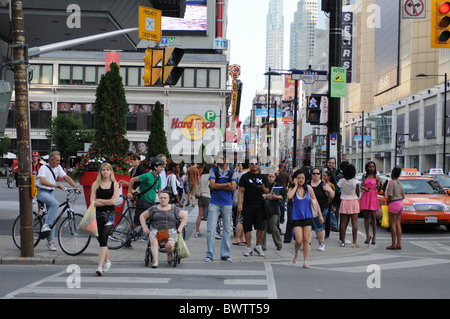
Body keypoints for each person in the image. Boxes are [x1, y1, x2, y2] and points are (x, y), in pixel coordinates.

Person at [37, 151, 83, 251]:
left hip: (49, 192)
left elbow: (66, 177)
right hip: (41, 192)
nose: (59, 162)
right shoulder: (43, 168)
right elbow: (42, 181)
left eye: (59, 160)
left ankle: (50, 242)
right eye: (57, 160)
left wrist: (76, 187)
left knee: (53, 218)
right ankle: (45, 225)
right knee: (55, 203)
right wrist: (57, 185)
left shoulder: (58, 167)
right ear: (51, 160)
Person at [140, 191, 187, 268]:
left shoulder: (174, 208)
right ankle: (156, 261)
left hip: (170, 230)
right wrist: (144, 227)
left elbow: (184, 217)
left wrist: (180, 227)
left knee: (170, 246)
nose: (163, 199)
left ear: (169, 199)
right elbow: (142, 216)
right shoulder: (154, 208)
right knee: (153, 242)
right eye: (161, 198)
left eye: (165, 198)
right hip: (156, 230)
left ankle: (169, 253)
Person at [205, 155, 237, 262]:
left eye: (221, 158)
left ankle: (225, 254)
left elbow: (233, 187)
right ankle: (209, 254)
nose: (219, 160)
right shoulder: (213, 170)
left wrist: (219, 185)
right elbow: (212, 185)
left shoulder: (232, 171)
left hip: (227, 203)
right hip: (214, 202)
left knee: (227, 229)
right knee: (210, 229)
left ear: (226, 159)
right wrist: (227, 184)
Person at [90, 163, 119, 276]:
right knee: (101, 240)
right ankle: (107, 261)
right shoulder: (95, 184)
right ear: (100, 172)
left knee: (104, 240)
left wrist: (100, 201)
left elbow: (113, 202)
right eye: (103, 170)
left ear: (111, 171)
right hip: (97, 215)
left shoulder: (114, 184)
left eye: (107, 170)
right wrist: (101, 202)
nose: (105, 172)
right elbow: (93, 202)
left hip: (110, 215)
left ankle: (100, 267)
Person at [237, 158, 269, 257]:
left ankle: (258, 246)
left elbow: (267, 191)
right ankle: (248, 247)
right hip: (248, 204)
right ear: (249, 165)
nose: (254, 165)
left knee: (261, 227)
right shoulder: (245, 177)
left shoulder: (263, 177)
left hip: (260, 205)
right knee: (247, 227)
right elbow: (241, 191)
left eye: (256, 163)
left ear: (258, 165)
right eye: (252, 163)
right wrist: (239, 204)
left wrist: (263, 187)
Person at [287, 170, 318, 268]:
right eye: (299, 178)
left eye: (303, 178)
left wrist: (320, 215)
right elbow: (289, 196)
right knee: (299, 240)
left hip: (307, 216)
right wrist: (295, 185)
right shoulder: (292, 188)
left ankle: (305, 261)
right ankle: (296, 253)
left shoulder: (309, 188)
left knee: (306, 240)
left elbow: (315, 201)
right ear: (295, 179)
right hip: (297, 217)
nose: (301, 180)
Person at [127, 157, 163, 229]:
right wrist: (129, 193)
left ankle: (150, 237)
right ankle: (127, 235)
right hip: (143, 202)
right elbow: (132, 179)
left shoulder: (159, 178)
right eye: (161, 167)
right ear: (155, 167)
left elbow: (159, 191)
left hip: (152, 202)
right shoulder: (147, 176)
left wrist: (162, 200)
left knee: (152, 220)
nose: (162, 168)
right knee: (137, 222)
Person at [309, 168, 334, 251]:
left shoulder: (323, 183)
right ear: (311, 174)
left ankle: (321, 243)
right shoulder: (308, 183)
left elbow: (332, 195)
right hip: (309, 209)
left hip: (322, 208)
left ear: (320, 174)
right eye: (314, 173)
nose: (316, 175)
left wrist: (328, 190)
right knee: (308, 227)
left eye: (318, 173)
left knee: (319, 227)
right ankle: (308, 244)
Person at [337, 164, 360, 248]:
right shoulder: (356, 182)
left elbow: (338, 188)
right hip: (353, 201)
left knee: (343, 223)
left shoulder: (341, 181)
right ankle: (354, 243)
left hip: (344, 201)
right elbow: (358, 194)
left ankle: (343, 242)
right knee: (354, 223)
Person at [360, 161, 382, 245]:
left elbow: (379, 190)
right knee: (366, 217)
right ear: (367, 167)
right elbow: (361, 186)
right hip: (366, 196)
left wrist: (380, 185)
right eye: (370, 167)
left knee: (373, 216)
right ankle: (367, 235)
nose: (371, 168)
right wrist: (364, 188)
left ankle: (374, 236)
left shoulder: (377, 177)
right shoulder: (364, 176)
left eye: (373, 167)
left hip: (373, 196)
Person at [261, 172, 283, 251]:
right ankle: (262, 245)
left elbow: (282, 197)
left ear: (274, 178)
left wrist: (274, 196)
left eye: (272, 177)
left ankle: (278, 243)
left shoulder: (278, 185)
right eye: (269, 176)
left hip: (274, 209)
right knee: (263, 228)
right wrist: (265, 195)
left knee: (273, 227)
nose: (271, 178)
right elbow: (260, 194)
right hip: (264, 208)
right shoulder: (264, 185)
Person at [386, 167, 405, 250]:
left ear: (392, 174)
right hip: (401, 203)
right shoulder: (399, 183)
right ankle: (399, 243)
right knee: (398, 224)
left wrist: (387, 202)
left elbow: (389, 195)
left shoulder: (391, 183)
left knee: (392, 224)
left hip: (393, 203)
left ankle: (393, 244)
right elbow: (403, 195)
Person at [194, 164, 212, 238]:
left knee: (200, 214)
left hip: (201, 196)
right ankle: (210, 232)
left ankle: (197, 231)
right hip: (208, 196)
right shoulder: (211, 176)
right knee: (211, 215)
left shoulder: (202, 176)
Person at [232, 163, 246, 246]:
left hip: (241, 199)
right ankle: (239, 238)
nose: (240, 167)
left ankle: (241, 237)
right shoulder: (235, 174)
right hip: (237, 200)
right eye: (238, 166)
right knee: (240, 219)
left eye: (241, 166)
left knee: (241, 219)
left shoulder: (244, 174)